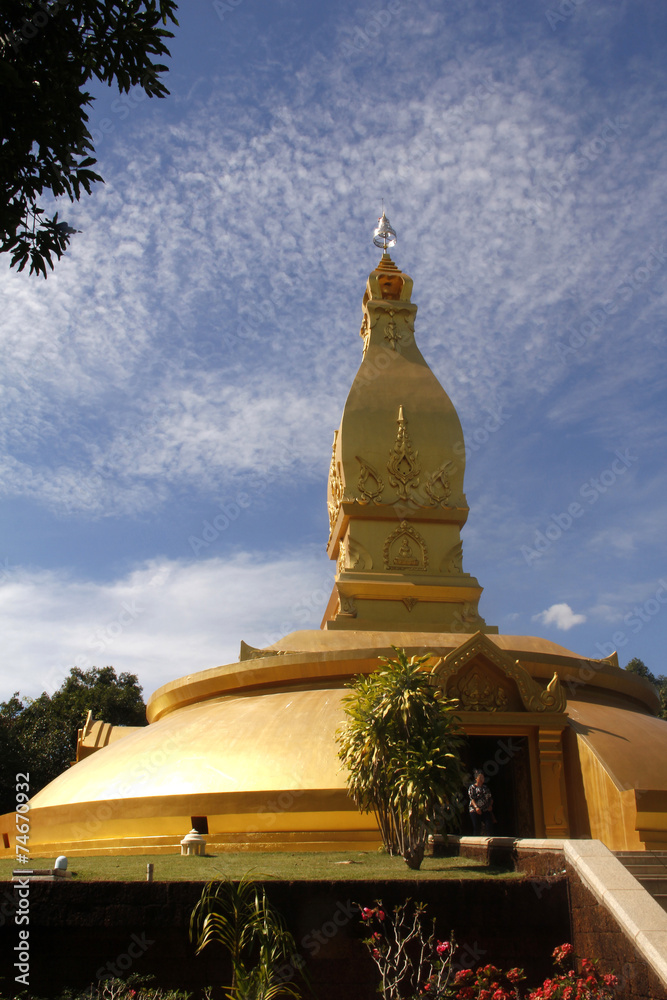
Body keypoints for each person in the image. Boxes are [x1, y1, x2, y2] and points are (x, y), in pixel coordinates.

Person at [468, 769, 493, 835]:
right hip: (475, 809)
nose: (482, 778)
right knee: (477, 827)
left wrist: (490, 805)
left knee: (489, 825)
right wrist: (476, 807)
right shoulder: (472, 787)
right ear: (476, 778)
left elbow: (490, 798)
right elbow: (472, 799)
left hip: (485, 809)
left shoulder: (485, 788)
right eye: (480, 777)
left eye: (483, 777)